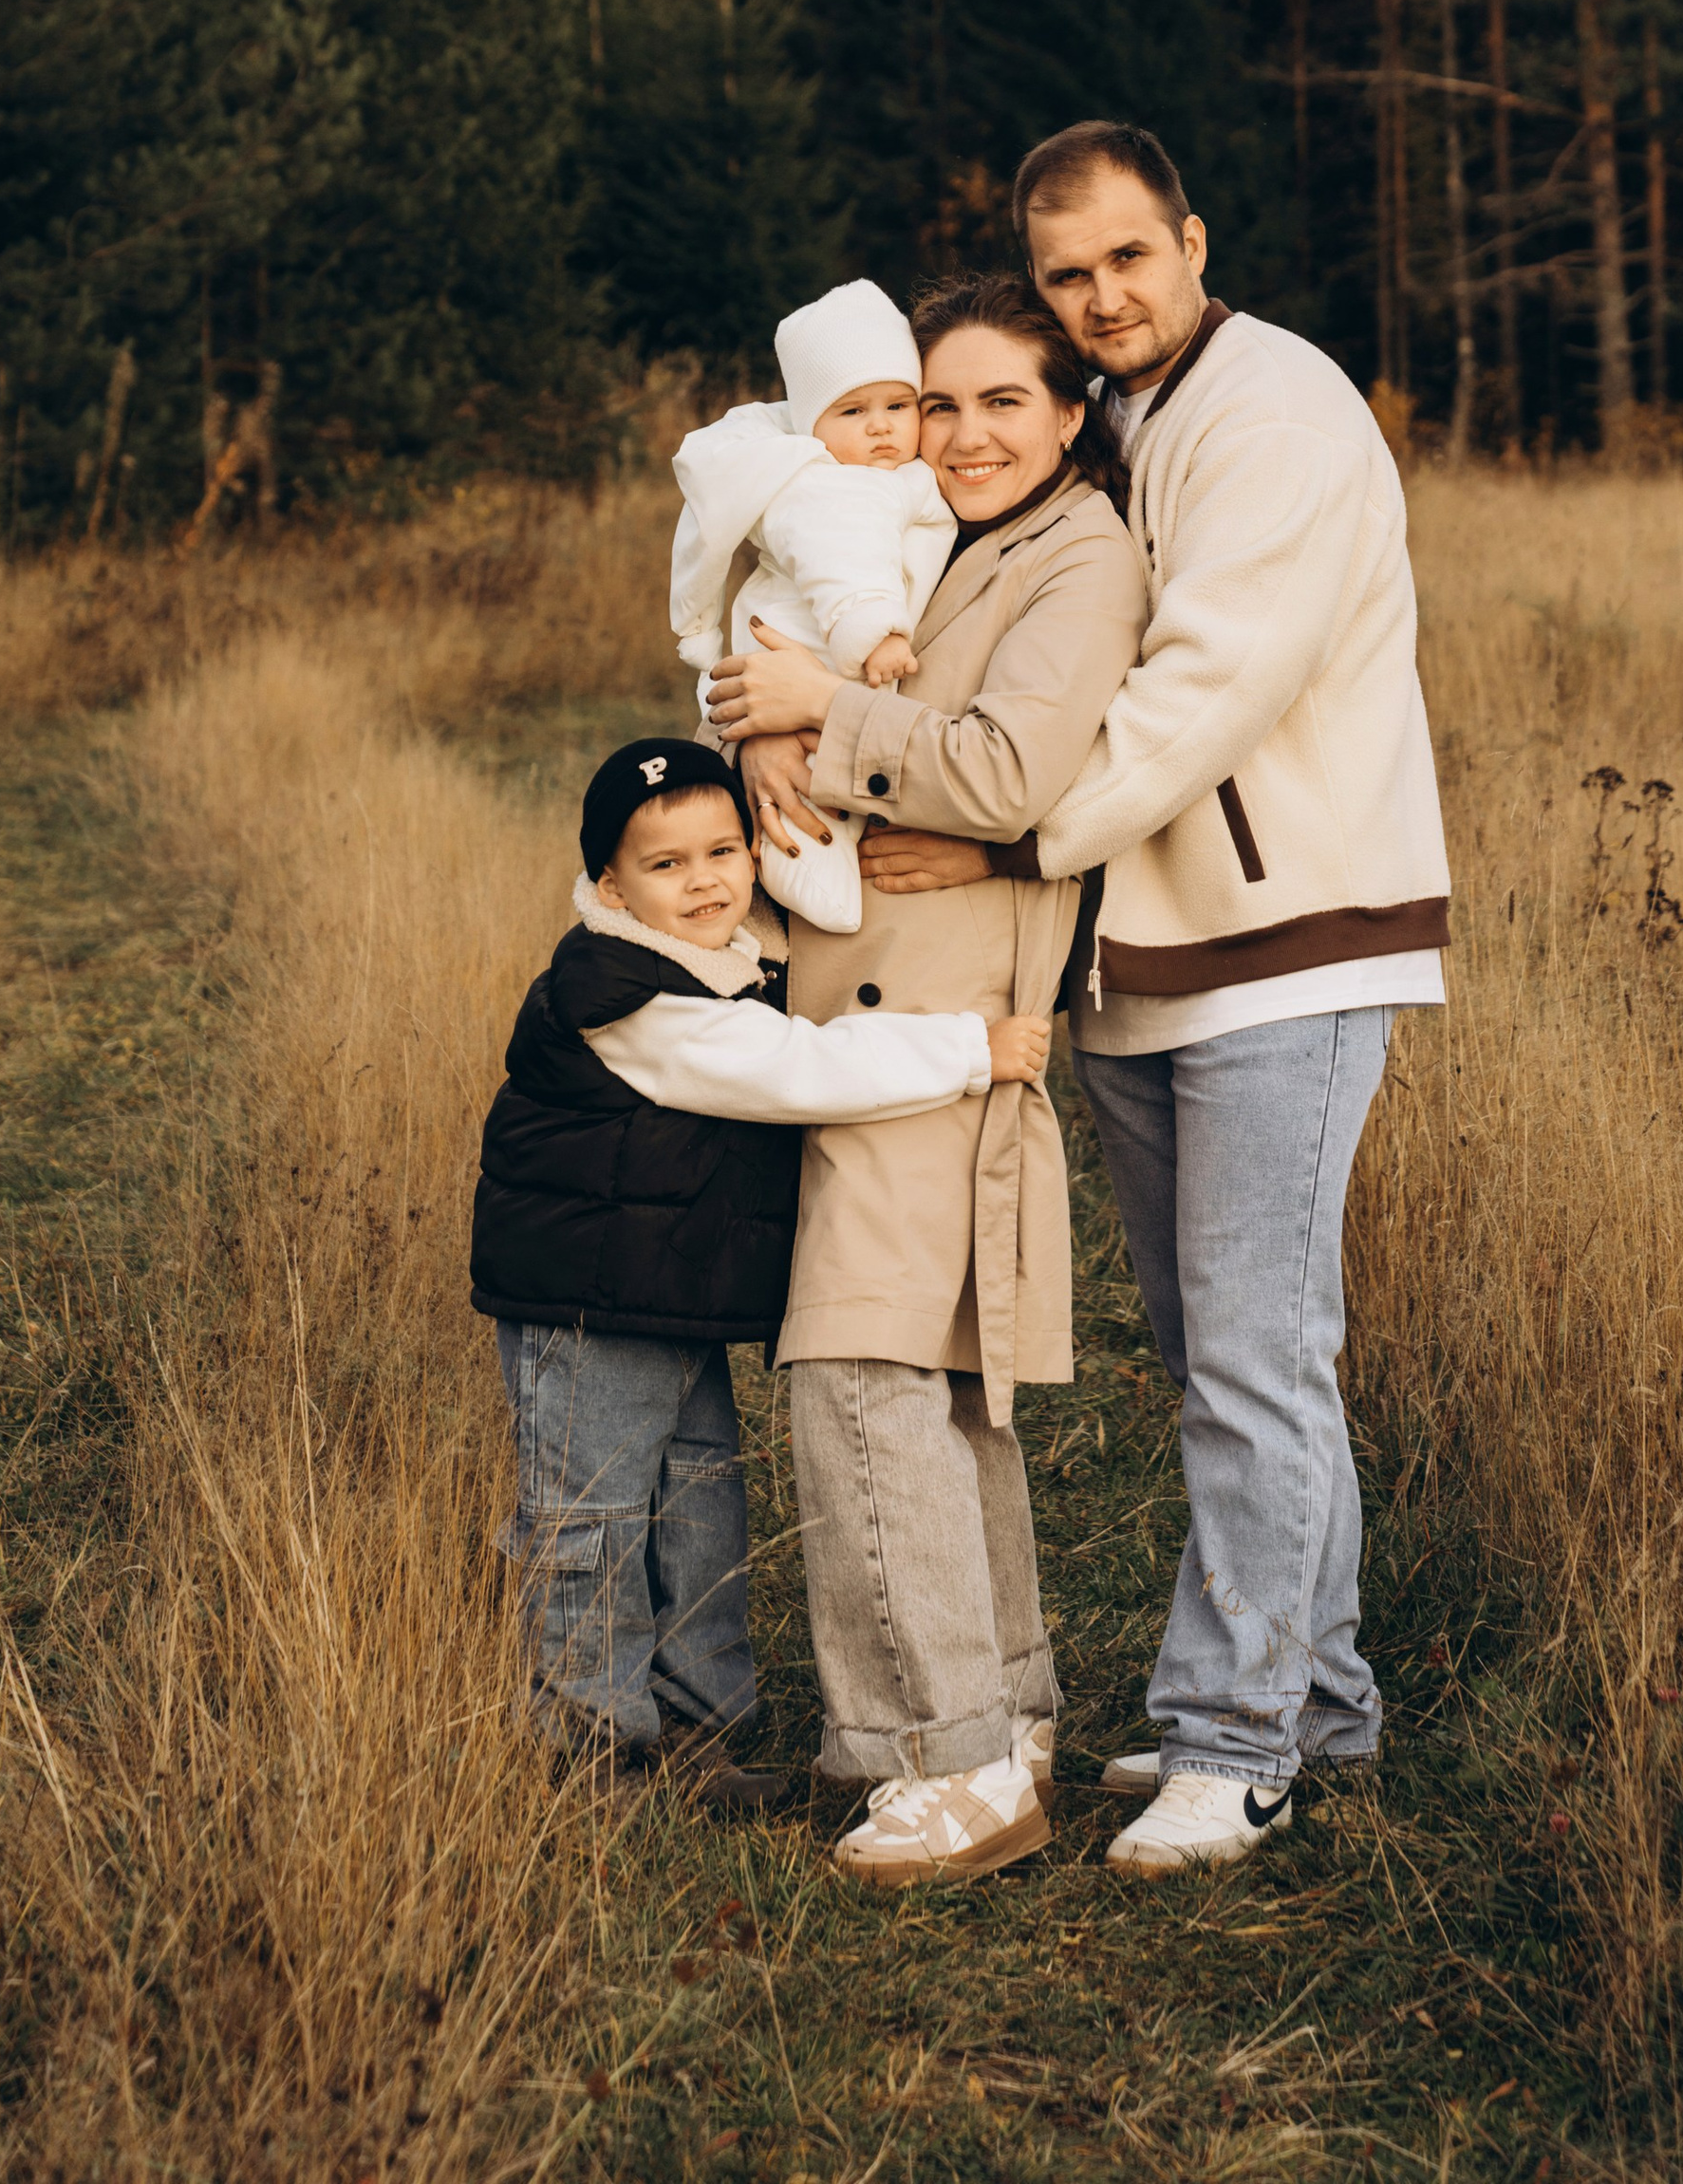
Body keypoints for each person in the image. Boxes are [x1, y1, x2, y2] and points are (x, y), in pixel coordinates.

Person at [861, 123, 1450, 1877]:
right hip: (1144, 956)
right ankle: (1317, 1696)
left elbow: (1201, 695)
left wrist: (1010, 843)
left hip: (1289, 942)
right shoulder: (1116, 418)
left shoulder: (1273, 410)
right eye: (1068, 275)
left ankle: (1237, 1740)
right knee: (1218, 1357)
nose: (1103, 296)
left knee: (1259, 1358)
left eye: (1128, 256)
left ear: (1193, 237)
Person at [708, 281, 1147, 1888]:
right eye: (936, 404)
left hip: (946, 1026)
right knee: (946, 1397)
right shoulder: (937, 534)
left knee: (861, 1382)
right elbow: (791, 670)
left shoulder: (1080, 556)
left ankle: (941, 1763)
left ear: (1069, 414)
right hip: (876, 1014)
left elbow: (1014, 773)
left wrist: (824, 716)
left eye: (1000, 406)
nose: (960, 436)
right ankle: (1006, 1721)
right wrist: (765, 730)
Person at [466, 734, 1047, 1803]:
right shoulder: (622, 992)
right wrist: (970, 1050)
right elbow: (796, 1070)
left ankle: (699, 1732)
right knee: (590, 1516)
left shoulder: (727, 952)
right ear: (609, 884)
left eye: (723, 851)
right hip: (583, 1298)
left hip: (670, 1290)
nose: (703, 882)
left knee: (696, 1506)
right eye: (666, 864)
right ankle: (590, 1746)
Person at [669, 279, 954, 934]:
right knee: (805, 773)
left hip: (803, 655)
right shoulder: (831, 486)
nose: (881, 426)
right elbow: (843, 558)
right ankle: (803, 860)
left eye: (898, 405)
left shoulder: (880, 477)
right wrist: (874, 631)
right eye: (853, 412)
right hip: (823, 637)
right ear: (812, 425)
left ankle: (797, 853)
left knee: (815, 760)